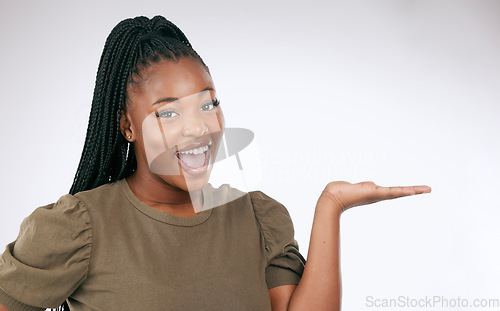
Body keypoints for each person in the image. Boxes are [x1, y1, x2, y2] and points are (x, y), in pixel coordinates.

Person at [0, 15, 431, 311]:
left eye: (208, 104)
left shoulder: (258, 217)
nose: (198, 128)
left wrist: (331, 206)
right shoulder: (80, 226)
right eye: (168, 112)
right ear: (127, 127)